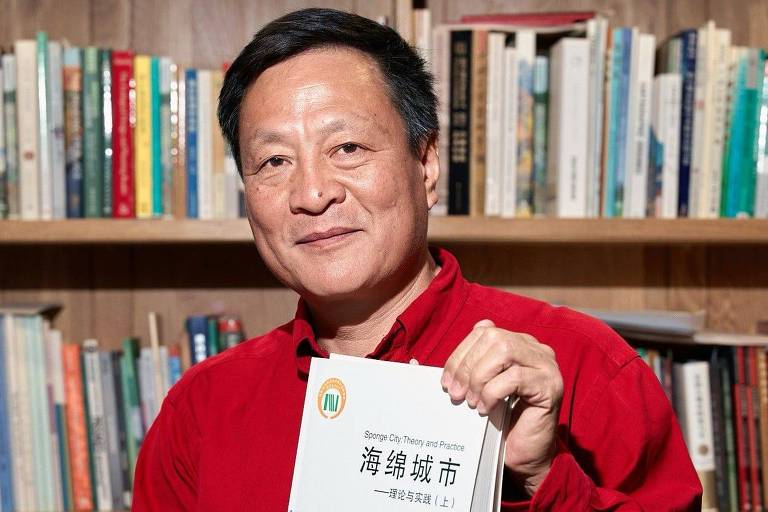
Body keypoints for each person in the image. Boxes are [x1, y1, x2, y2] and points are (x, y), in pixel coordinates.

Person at [132, 8, 702, 511]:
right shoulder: (202, 410)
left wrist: (543, 477)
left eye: (347, 148)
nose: (311, 193)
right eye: (274, 162)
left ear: (426, 165)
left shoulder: (585, 366)